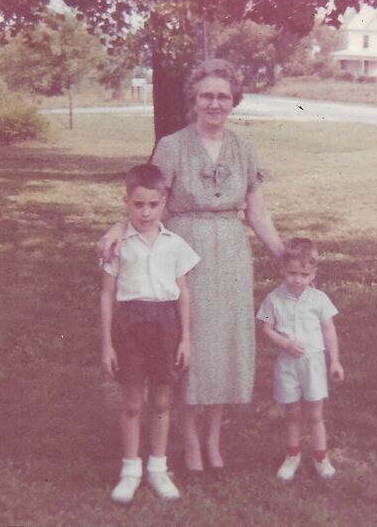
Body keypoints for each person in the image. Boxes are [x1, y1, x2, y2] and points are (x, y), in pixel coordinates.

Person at [98, 59, 284, 474]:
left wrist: (283, 254)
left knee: (224, 346)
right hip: (186, 249)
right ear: (194, 101)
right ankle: (189, 440)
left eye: (222, 96)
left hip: (232, 253)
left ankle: (214, 438)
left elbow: (257, 213)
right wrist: (118, 227)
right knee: (189, 344)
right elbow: (148, 198)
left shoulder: (243, 148)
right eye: (207, 96)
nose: (215, 103)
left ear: (233, 100)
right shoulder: (172, 145)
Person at [100, 163, 200, 503]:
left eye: (152, 205)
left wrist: (185, 337)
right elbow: (106, 294)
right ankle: (130, 470)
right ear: (126, 201)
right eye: (138, 204)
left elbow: (184, 293)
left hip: (165, 325)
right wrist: (107, 344)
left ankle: (158, 468)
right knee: (131, 401)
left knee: (160, 399)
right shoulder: (117, 244)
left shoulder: (174, 244)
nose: (145, 212)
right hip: (129, 325)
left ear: (164, 202)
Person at [257, 237, 344, 481]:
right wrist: (285, 343)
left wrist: (335, 361)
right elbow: (266, 329)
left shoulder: (319, 299)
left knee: (315, 415)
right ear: (282, 270)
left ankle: (320, 457)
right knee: (293, 413)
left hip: (313, 364)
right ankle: (292, 456)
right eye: (292, 273)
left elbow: (329, 330)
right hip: (287, 365)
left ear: (313, 273)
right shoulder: (274, 299)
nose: (297, 279)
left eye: (304, 274)